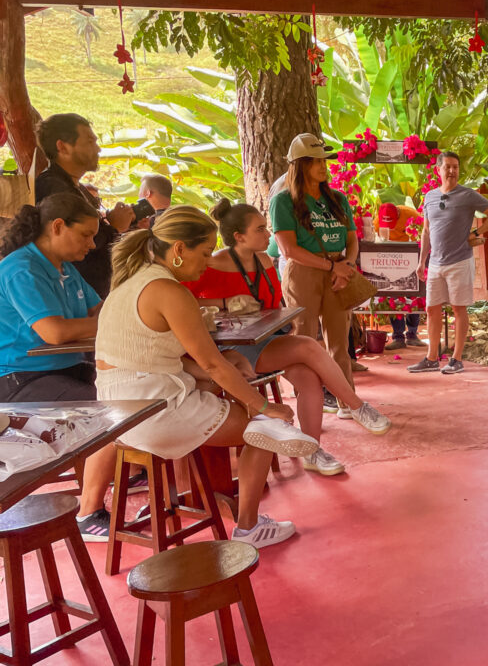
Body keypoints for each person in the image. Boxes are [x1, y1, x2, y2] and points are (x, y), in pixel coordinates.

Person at [84, 206, 320, 548]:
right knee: (264, 430)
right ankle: (249, 528)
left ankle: (214, 498)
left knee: (220, 389)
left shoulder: (130, 281)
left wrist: (229, 366)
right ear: (179, 250)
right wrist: (261, 407)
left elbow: (163, 359)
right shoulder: (169, 290)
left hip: (116, 410)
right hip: (152, 412)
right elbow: (211, 364)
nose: (208, 262)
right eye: (205, 253)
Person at [187, 199, 390, 463]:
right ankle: (357, 406)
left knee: (309, 380)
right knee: (307, 345)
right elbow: (183, 302)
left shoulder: (264, 260)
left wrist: (284, 317)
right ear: (238, 236)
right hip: (230, 347)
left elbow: (272, 303)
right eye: (260, 229)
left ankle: (311, 452)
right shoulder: (213, 264)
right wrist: (223, 304)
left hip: (266, 339)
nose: (268, 234)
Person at [268, 133, 362, 387]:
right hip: (304, 273)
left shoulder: (338, 199)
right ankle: (307, 398)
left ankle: (347, 400)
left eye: (324, 161)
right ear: (300, 165)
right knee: (304, 340)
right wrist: (333, 267)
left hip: (339, 271)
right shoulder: (283, 201)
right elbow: (288, 249)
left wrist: (347, 268)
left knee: (339, 342)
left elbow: (352, 239)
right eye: (316, 161)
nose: (323, 166)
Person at [0, 194, 101, 403]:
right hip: (21, 377)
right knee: (107, 406)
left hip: (67, 369)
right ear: (57, 226)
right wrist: (109, 324)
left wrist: (104, 320)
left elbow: (100, 309)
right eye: (86, 235)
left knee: (127, 391)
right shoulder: (21, 269)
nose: (92, 244)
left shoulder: (67, 269)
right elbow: (55, 332)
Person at [407, 152, 488, 375]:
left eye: (455, 167)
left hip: (460, 261)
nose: (452, 171)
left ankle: (456, 359)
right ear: (438, 170)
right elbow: (426, 231)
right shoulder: (429, 197)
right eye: (447, 167)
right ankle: (431, 358)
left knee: (459, 309)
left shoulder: (468, 195)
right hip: (436, 263)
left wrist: (476, 232)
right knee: (431, 309)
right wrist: (422, 261)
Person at [34, 113, 134, 297]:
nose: (98, 149)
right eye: (89, 142)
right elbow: (73, 242)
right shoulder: (53, 187)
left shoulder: (75, 187)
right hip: (72, 296)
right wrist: (113, 226)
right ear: (62, 147)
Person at [376, 202, 425, 349]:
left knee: (414, 295)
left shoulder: (411, 215)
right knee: (392, 294)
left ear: (398, 214)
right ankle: (398, 337)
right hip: (390, 261)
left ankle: (412, 334)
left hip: (412, 259)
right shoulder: (377, 220)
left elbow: (425, 233)